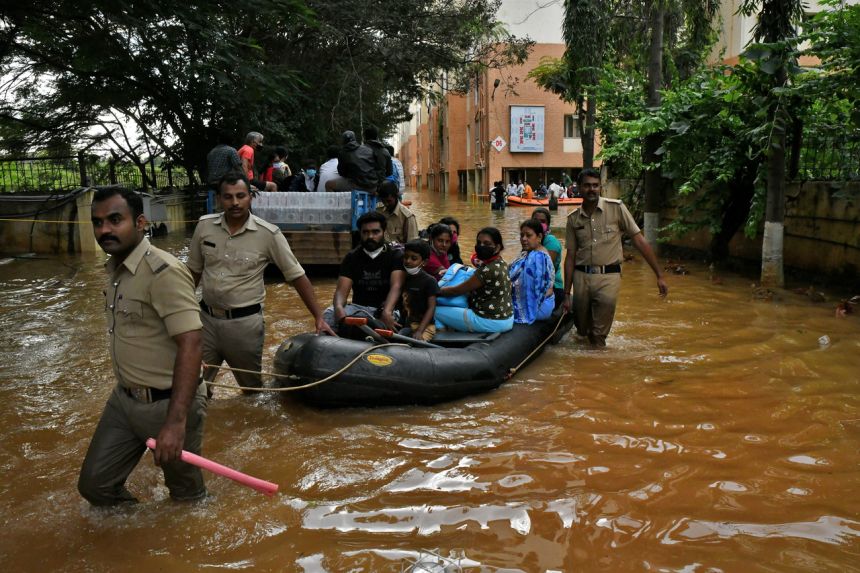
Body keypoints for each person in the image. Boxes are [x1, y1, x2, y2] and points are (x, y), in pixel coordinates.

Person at [78, 187, 207, 505]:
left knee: (187, 498)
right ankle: (140, 537)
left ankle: (178, 549)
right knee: (95, 486)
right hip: (123, 401)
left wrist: (175, 423)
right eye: (97, 222)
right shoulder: (116, 270)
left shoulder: (163, 272)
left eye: (114, 220)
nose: (104, 229)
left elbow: (192, 342)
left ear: (140, 223)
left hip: (167, 404)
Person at [187, 171, 334, 393]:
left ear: (251, 197)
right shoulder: (204, 227)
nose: (235, 202)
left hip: (244, 325)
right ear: (219, 199)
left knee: (252, 391)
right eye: (228, 197)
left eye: (241, 195)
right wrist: (181, 315)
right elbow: (192, 273)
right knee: (194, 387)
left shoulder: (269, 234)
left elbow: (296, 276)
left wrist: (319, 317)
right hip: (204, 320)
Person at [562, 167, 668, 346]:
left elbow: (640, 241)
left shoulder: (616, 208)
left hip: (609, 276)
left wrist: (659, 275)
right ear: (579, 188)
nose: (592, 189)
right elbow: (570, 256)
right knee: (582, 331)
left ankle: (598, 369)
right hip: (581, 278)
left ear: (600, 187)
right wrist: (566, 293)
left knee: (598, 335)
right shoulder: (573, 219)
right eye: (587, 185)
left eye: (595, 185)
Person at [324, 211, 405, 332]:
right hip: (359, 309)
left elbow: (396, 286)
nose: (370, 236)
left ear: (384, 232)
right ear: (360, 233)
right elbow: (341, 291)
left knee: (391, 319)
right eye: (365, 232)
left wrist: (387, 311)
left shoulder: (395, 255)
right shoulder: (352, 257)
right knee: (328, 314)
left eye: (375, 232)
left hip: (387, 308)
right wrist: (339, 308)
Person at [435, 227, 514, 333]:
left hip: (489, 321)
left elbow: (456, 290)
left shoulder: (487, 270)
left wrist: (433, 290)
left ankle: (443, 340)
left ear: (497, 247)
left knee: (434, 311)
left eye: (487, 244)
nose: (481, 246)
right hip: (506, 318)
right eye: (479, 243)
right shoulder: (502, 263)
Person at [509, 219, 556, 324]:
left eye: (528, 236)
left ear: (539, 237)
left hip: (539, 306)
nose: (524, 239)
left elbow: (540, 292)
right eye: (522, 235)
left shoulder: (539, 257)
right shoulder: (528, 253)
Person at [400, 240, 439, 341]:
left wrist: (419, 331)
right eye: (406, 257)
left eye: (414, 258)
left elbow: (431, 307)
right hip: (406, 324)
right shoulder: (401, 277)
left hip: (425, 326)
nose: (408, 261)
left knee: (416, 344)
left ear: (424, 262)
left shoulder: (430, 281)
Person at [532, 207, 565, 308]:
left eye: (542, 221)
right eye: (535, 221)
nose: (538, 224)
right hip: (535, 286)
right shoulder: (529, 239)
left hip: (553, 288)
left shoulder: (551, 241)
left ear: (548, 225)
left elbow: (544, 271)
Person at [376, 179, 418, 244]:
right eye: (383, 201)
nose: (386, 204)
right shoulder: (378, 211)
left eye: (389, 201)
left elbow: (413, 244)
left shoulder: (408, 216)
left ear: (396, 197)